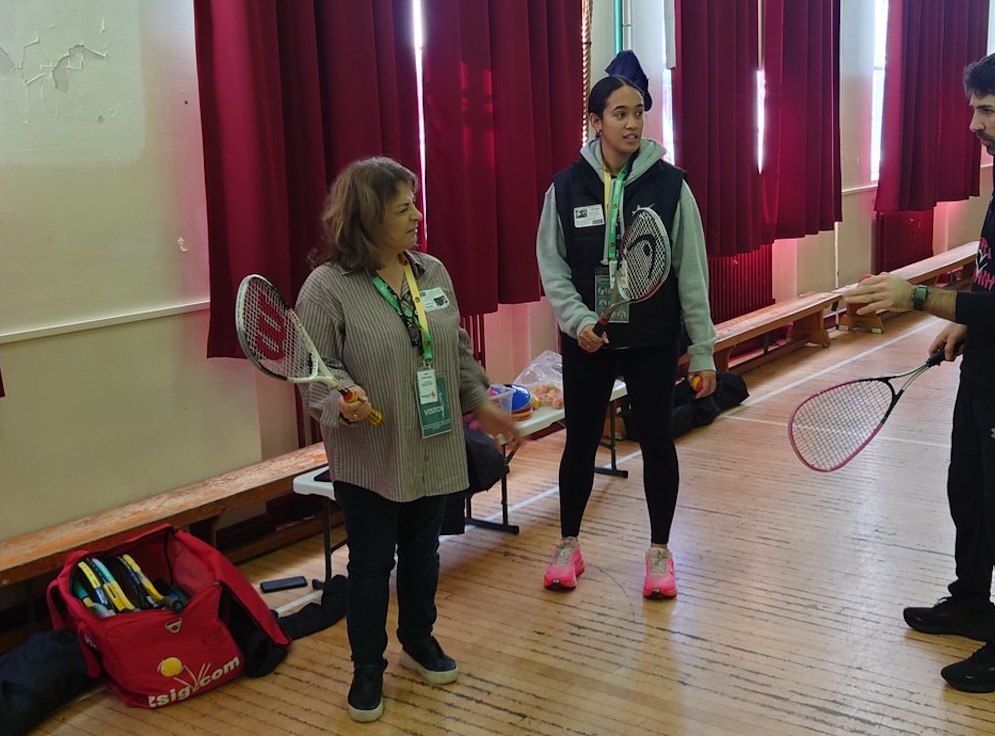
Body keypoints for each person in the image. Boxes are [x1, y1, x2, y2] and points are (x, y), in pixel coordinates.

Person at [844, 43, 995, 692]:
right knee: (971, 497)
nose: (973, 124)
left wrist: (919, 298)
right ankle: (973, 603)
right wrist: (964, 321)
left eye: (985, 110)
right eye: (973, 109)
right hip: (987, 370)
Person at [296, 156, 521, 722]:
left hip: (435, 443)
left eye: (414, 203)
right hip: (369, 457)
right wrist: (344, 402)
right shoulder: (326, 290)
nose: (418, 215)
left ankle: (418, 639)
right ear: (368, 219)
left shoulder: (431, 274)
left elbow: (455, 353)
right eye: (403, 208)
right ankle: (367, 668)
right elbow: (316, 372)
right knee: (371, 567)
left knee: (424, 553)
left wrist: (484, 405)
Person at [535, 51, 718, 600]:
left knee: (658, 440)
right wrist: (577, 320)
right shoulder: (565, 189)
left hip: (653, 338)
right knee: (581, 443)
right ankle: (569, 544)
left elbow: (691, 273)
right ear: (595, 122)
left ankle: (660, 552)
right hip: (589, 340)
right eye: (619, 113)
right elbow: (553, 264)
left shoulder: (671, 187)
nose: (633, 122)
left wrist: (703, 349)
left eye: (639, 111)